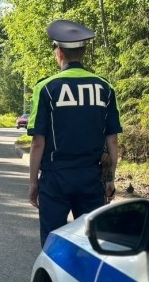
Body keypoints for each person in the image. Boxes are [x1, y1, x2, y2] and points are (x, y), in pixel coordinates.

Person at [27, 19, 122, 247]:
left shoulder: (46, 88)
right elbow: (112, 140)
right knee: (91, 243)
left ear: (59, 53)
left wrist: (33, 183)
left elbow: (38, 143)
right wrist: (110, 178)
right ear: (84, 52)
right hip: (91, 178)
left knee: (52, 241)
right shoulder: (104, 87)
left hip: (55, 179)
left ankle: (52, 281)